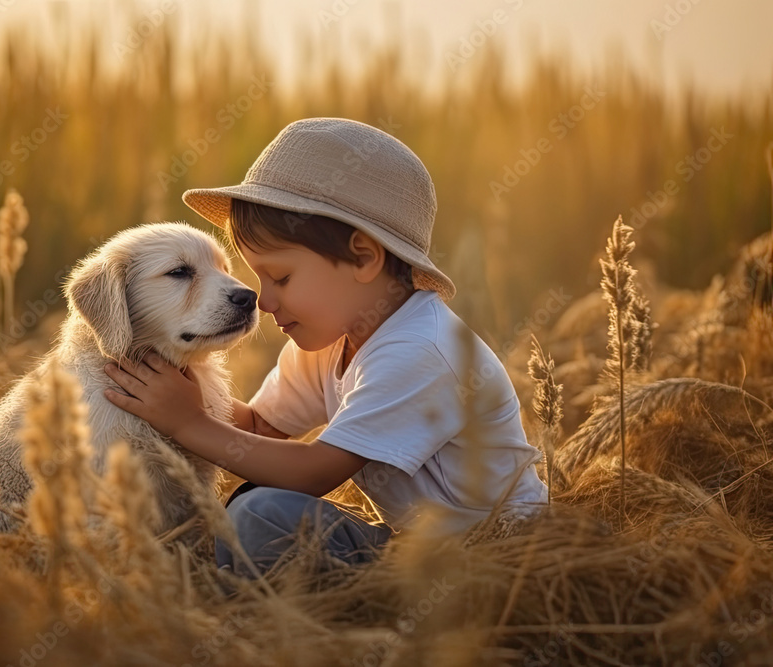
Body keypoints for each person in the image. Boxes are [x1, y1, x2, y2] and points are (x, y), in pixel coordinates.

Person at [103, 117, 548, 578]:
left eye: (281, 278)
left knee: (261, 516)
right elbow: (260, 428)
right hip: (416, 549)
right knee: (254, 504)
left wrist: (187, 420)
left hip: (498, 561)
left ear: (363, 258)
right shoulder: (326, 342)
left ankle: (255, 614)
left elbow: (314, 472)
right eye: (260, 278)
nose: (265, 299)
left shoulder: (420, 349)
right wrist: (174, 384)